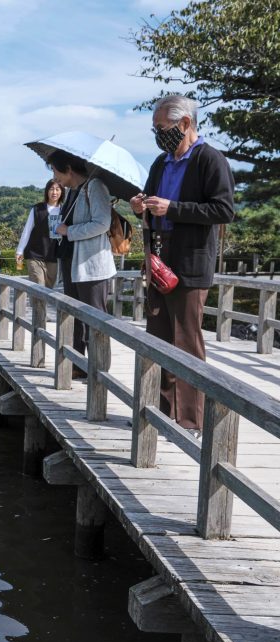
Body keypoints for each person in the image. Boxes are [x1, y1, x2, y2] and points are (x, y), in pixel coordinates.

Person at [128, 95, 235, 435]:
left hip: (190, 262)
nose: (159, 135)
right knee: (157, 338)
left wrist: (172, 208)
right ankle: (157, 410)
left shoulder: (210, 160)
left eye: (162, 128)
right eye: (156, 129)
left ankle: (190, 420)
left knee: (187, 342)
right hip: (160, 259)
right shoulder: (161, 163)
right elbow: (150, 203)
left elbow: (223, 210)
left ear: (185, 124)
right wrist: (140, 206)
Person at [47, 149, 116, 379]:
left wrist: (70, 231)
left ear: (68, 168)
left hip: (92, 265)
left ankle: (99, 369)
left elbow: (102, 223)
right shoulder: (74, 191)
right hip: (72, 262)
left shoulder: (95, 187)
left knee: (94, 319)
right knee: (74, 315)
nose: (55, 178)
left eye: (56, 172)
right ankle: (76, 364)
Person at [15, 180, 63, 287]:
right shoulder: (37, 209)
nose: (54, 192)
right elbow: (27, 230)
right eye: (51, 189)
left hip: (53, 256)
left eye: (57, 189)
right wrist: (19, 251)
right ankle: (37, 304)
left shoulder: (64, 211)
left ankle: (40, 305)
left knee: (48, 289)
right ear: (46, 191)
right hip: (34, 254)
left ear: (61, 192)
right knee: (38, 286)